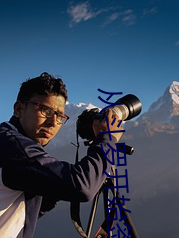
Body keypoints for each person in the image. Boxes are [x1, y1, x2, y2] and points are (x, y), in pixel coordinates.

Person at [0, 72, 124, 238]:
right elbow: (82, 187)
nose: (53, 122)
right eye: (45, 110)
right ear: (19, 109)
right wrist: (107, 140)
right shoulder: (14, 147)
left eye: (59, 116)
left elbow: (22, 212)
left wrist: (54, 185)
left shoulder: (11, 142)